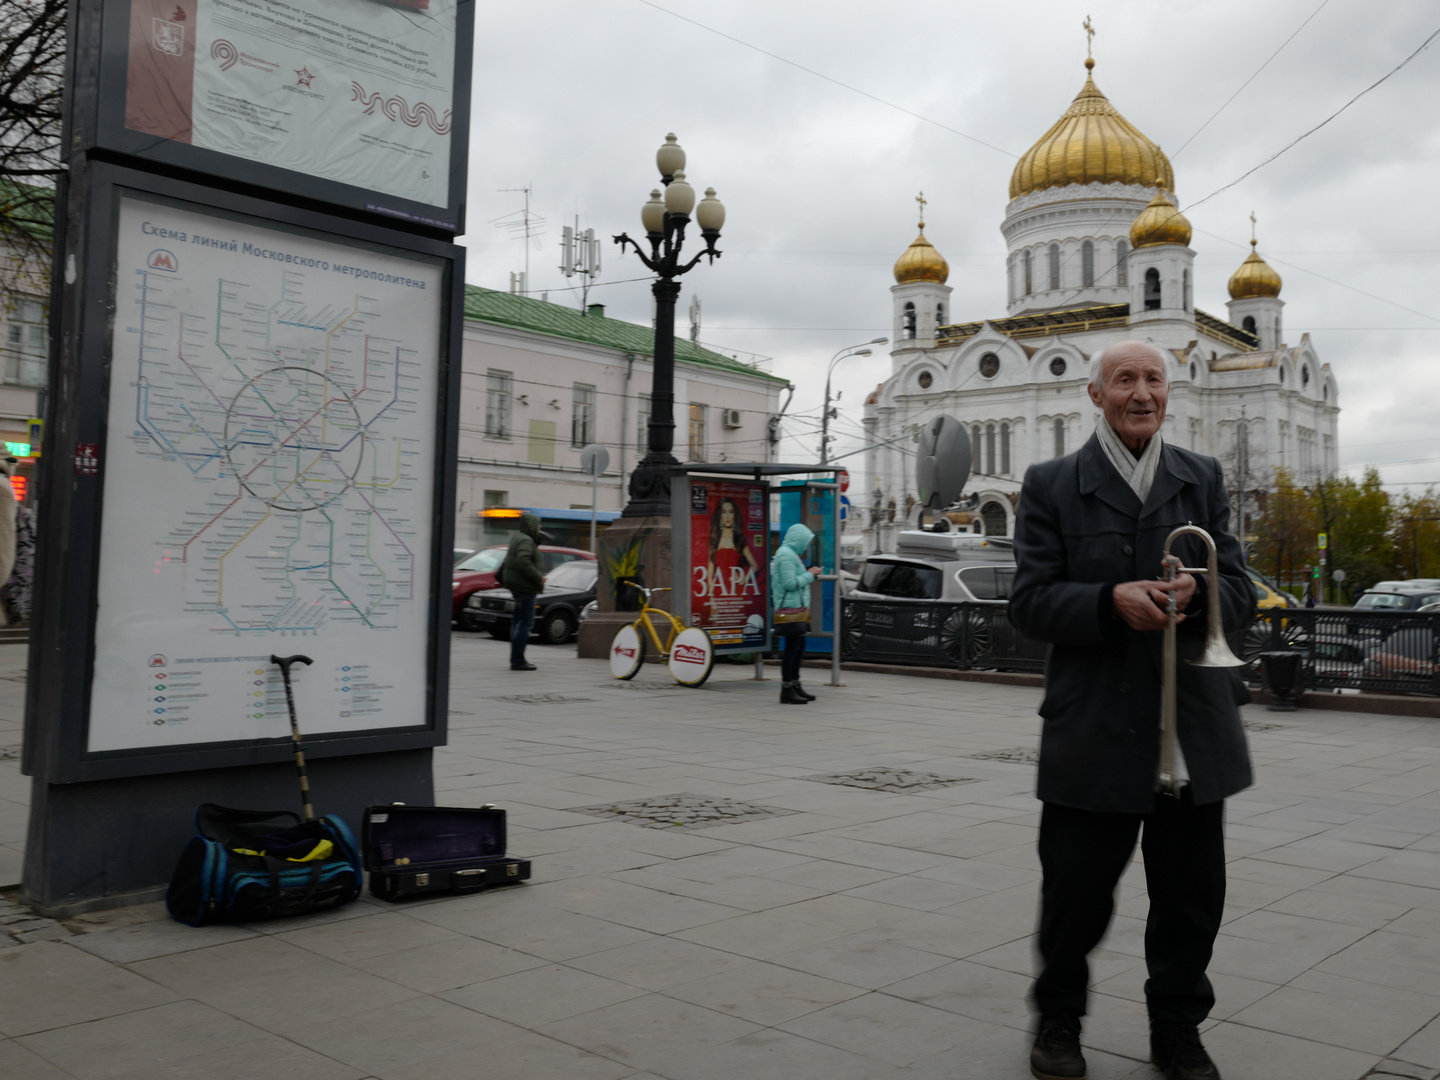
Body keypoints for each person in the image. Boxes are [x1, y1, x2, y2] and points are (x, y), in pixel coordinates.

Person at [1009, 340, 1253, 1080]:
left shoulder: (1202, 476)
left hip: (1190, 732)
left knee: (1189, 903)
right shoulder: (1052, 483)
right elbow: (1027, 603)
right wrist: (1108, 602)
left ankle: (1177, 1030)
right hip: (1095, 729)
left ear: (1168, 393)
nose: (1140, 393)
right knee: (1074, 902)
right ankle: (1059, 1020)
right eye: (1124, 380)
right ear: (1095, 395)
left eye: (1153, 379)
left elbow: (1240, 590)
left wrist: (1201, 595)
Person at [770, 522, 818, 704]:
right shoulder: (786, 555)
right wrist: (809, 575)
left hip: (798, 609)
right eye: (805, 542)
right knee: (792, 650)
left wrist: (807, 573)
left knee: (798, 648)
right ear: (797, 540)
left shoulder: (791, 555)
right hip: (790, 611)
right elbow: (789, 583)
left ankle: (795, 684)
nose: (806, 547)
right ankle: (786, 689)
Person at [499, 511, 545, 671]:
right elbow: (522, 560)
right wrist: (538, 577)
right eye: (537, 524)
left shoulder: (518, 538)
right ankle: (518, 660)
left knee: (518, 623)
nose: (540, 527)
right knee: (525, 624)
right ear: (531, 525)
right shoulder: (526, 540)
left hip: (517, 586)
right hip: (525, 587)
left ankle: (516, 658)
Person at [706, 498, 759, 617]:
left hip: (736, 593)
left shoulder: (739, 541)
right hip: (719, 592)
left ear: (735, 515)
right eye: (724, 512)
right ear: (720, 515)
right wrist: (711, 598)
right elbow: (710, 572)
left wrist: (744, 579)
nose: (728, 516)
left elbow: (755, 566)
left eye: (731, 512)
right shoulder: (714, 541)